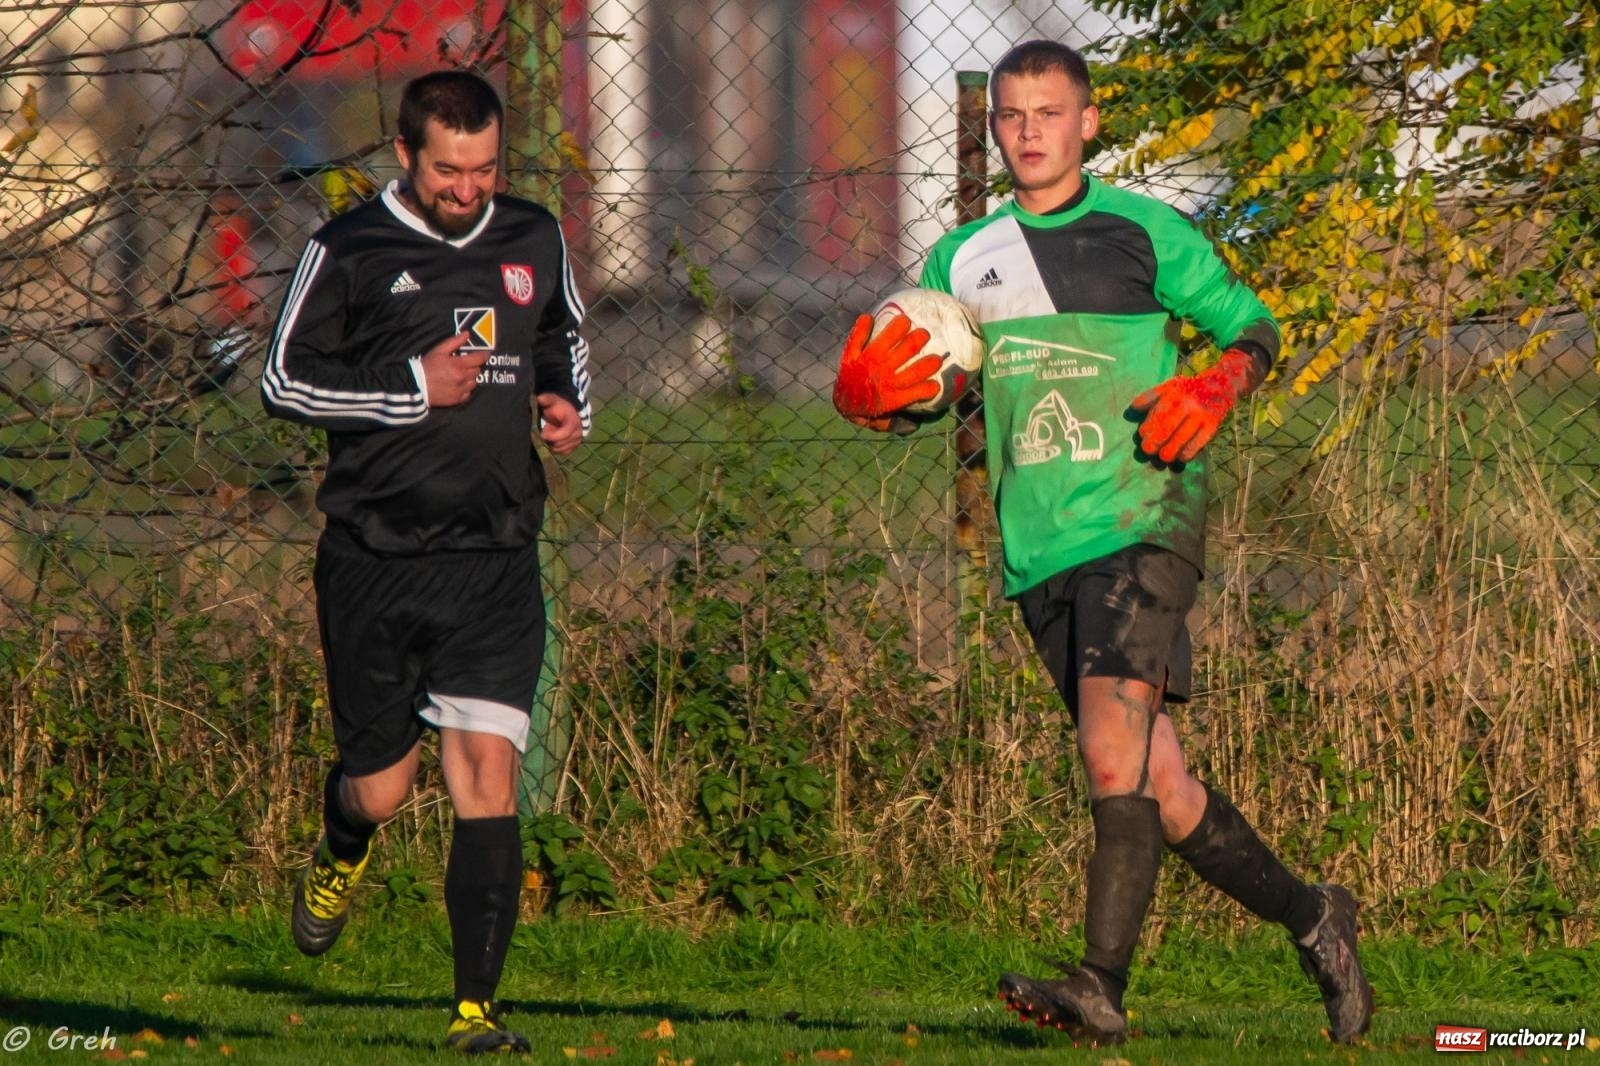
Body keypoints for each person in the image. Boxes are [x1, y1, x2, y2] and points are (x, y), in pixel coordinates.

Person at [832, 40, 1371, 1047]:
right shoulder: (958, 262)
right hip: (1038, 547)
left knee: (1108, 747)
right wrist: (884, 403)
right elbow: (933, 381)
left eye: (1049, 112)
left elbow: (1253, 325)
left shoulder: (1143, 230)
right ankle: (1316, 920)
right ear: (993, 127)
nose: (1028, 130)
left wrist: (1218, 384)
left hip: (1142, 516)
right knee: (1160, 785)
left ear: (1088, 122)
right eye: (1010, 114)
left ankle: (1097, 988)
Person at [260, 69, 591, 1055]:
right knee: (382, 789)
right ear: (406, 155)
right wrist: (411, 387)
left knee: (487, 776)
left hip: (494, 555)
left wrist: (563, 401)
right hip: (374, 557)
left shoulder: (532, 235)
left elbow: (560, 337)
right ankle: (342, 843)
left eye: (485, 168)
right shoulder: (349, 248)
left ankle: (474, 1013)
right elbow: (283, 379)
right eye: (449, 170)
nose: (469, 188)